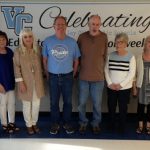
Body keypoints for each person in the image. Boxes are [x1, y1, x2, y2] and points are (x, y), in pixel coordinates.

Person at [42, 16, 80, 135]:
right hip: (53, 76)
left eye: (62, 24)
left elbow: (76, 60)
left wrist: (73, 74)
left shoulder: (72, 41)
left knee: (68, 102)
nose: (60, 26)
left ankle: (67, 123)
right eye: (58, 24)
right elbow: (44, 60)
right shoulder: (48, 41)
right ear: (54, 26)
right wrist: (47, 74)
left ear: (66, 26)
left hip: (68, 76)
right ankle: (55, 123)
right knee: (54, 102)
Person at [77, 15, 108, 134]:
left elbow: (104, 56)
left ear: (100, 24)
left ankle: (96, 123)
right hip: (83, 77)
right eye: (92, 24)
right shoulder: (82, 37)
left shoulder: (104, 37)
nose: (95, 26)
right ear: (88, 24)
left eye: (97, 24)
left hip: (98, 78)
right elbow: (77, 57)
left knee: (97, 104)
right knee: (81, 103)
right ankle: (82, 123)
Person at [13, 29, 45, 135]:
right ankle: (28, 125)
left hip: (38, 83)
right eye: (25, 37)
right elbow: (16, 68)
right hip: (25, 83)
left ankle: (34, 123)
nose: (28, 39)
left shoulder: (38, 49)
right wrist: (20, 82)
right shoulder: (18, 51)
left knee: (36, 104)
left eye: (30, 36)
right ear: (22, 38)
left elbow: (44, 63)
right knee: (26, 105)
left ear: (33, 38)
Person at [105, 32, 136, 133]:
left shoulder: (131, 57)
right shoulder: (110, 56)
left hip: (124, 89)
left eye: (121, 42)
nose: (118, 44)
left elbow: (131, 74)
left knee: (123, 108)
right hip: (111, 88)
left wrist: (121, 85)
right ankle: (111, 125)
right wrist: (110, 83)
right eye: (117, 42)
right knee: (111, 107)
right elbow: (106, 70)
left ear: (126, 44)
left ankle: (122, 127)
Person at [0, 30, 19, 133]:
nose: (1, 41)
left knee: (11, 104)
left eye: (3, 39)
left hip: (10, 82)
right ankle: (4, 124)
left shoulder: (10, 51)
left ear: (6, 40)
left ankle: (11, 123)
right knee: (2, 105)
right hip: (1, 84)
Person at [133, 35, 150, 135]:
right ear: (145, 43)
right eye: (149, 42)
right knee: (140, 106)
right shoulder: (139, 57)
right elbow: (134, 74)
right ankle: (140, 125)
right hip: (142, 85)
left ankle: (148, 126)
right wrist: (134, 87)